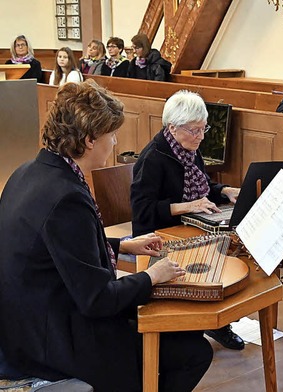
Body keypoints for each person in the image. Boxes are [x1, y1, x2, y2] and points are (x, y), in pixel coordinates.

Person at [0, 80, 212, 391]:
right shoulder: (66, 198)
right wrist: (152, 276)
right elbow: (96, 300)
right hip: (50, 339)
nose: (114, 143)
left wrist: (122, 244)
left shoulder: (28, 172)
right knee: (193, 352)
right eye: (111, 135)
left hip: (24, 322)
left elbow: (61, 248)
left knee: (182, 336)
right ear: (89, 139)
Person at [131, 90, 244, 351]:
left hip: (186, 225)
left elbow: (203, 187)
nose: (201, 137)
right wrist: (187, 206)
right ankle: (195, 322)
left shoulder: (188, 149)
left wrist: (225, 190)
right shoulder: (153, 158)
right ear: (173, 127)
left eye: (204, 129)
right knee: (216, 250)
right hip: (157, 232)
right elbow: (142, 211)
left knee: (234, 245)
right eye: (194, 130)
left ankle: (216, 317)